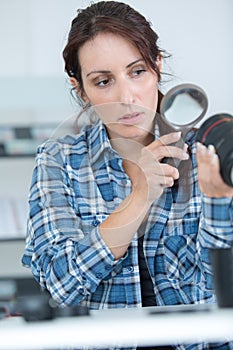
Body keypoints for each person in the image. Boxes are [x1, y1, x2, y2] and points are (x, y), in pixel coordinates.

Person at [22, 1, 233, 349]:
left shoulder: (206, 153)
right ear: (81, 90)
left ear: (157, 67)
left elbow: (217, 292)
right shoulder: (60, 160)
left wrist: (220, 204)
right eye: (103, 81)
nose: (126, 96)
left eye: (137, 72)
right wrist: (139, 197)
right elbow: (62, 286)